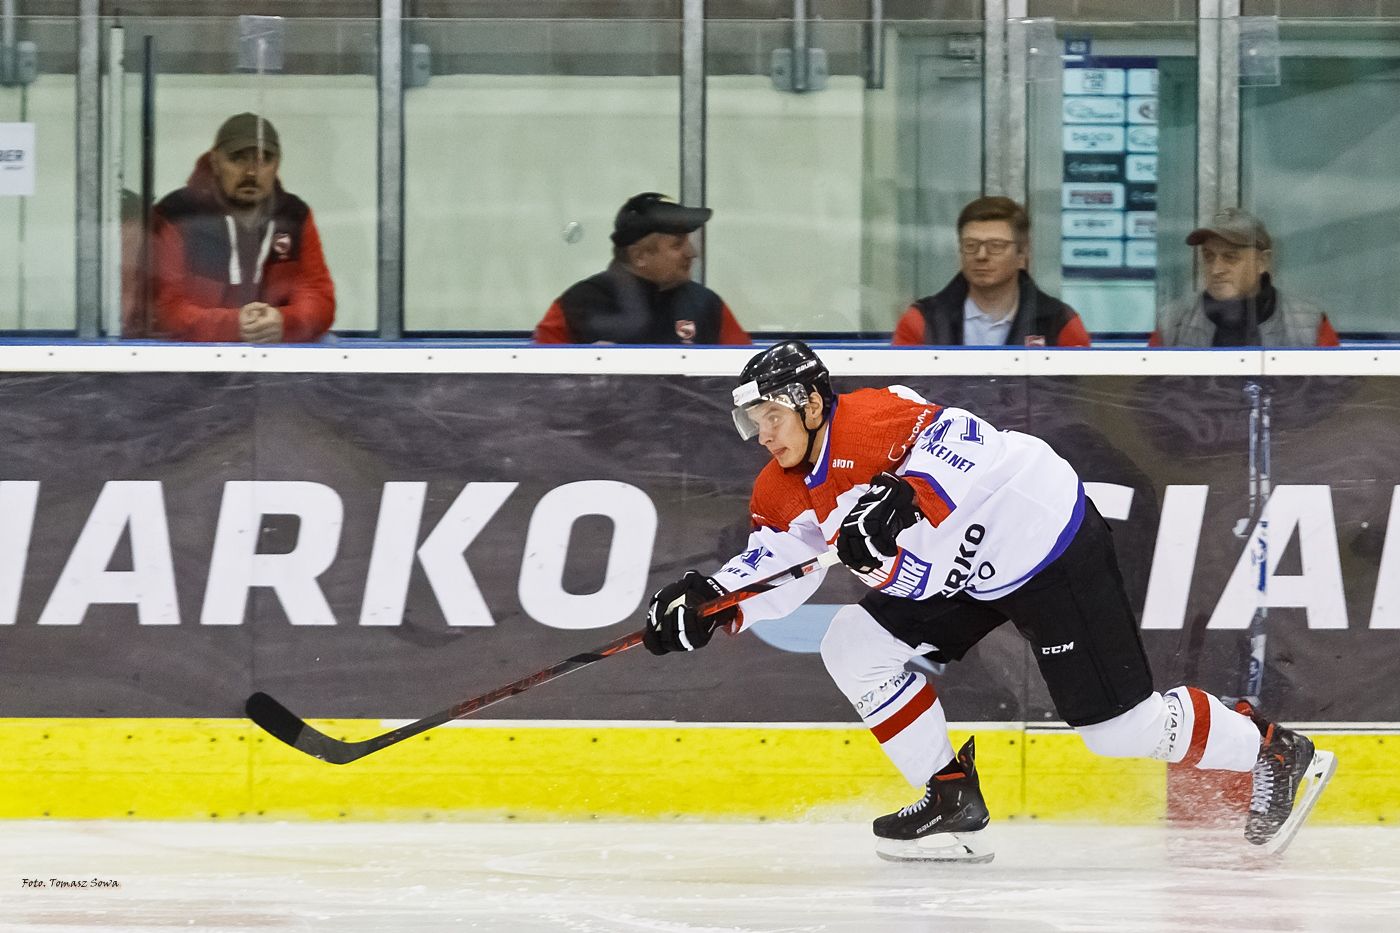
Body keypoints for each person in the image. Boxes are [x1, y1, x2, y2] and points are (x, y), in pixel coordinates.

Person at [642, 339, 1334, 862]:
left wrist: (907, 493)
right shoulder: (780, 487)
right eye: (754, 421)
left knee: (1116, 730)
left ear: (813, 403)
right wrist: (713, 602)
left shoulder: (873, 418)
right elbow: (779, 565)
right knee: (851, 645)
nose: (763, 433)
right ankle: (950, 796)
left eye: (772, 415)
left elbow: (970, 440)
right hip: (965, 576)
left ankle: (1274, 749)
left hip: (1045, 541)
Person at [151, 113, 335, 343]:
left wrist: (284, 321)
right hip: (196, 360)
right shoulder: (178, 215)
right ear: (215, 161)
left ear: (277, 164)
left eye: (263, 159)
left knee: (327, 343)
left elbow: (318, 297)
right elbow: (166, 309)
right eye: (238, 158)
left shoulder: (295, 216)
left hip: (273, 357)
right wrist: (234, 326)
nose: (250, 172)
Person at [533, 192, 750, 345]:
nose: (692, 253)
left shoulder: (707, 305)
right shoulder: (576, 306)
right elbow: (536, 388)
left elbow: (750, 385)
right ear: (639, 256)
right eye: (677, 244)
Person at [892, 196, 1091, 347]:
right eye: (971, 245)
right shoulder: (923, 321)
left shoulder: (1059, 323)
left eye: (996, 245)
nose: (981, 255)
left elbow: (1080, 398)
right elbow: (896, 396)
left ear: (1022, 254)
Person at [1152, 208, 1338, 347]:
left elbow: (1335, 394)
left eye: (1230, 257)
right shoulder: (1172, 323)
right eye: (1208, 256)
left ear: (1262, 262)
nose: (1216, 270)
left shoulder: (1310, 324)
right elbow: (1150, 394)